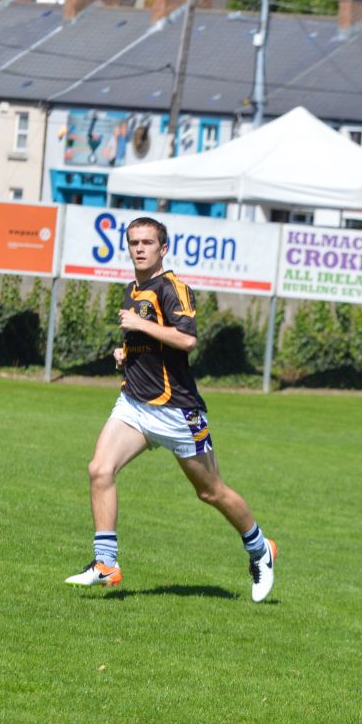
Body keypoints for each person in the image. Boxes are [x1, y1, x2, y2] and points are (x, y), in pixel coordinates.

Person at [66, 217, 276, 602]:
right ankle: (106, 563)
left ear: (163, 248)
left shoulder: (173, 288)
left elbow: (186, 340)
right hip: (135, 405)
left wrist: (139, 328)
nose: (140, 248)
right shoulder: (133, 289)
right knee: (99, 469)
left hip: (177, 411)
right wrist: (125, 352)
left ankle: (260, 548)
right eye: (134, 242)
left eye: (148, 242)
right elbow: (148, 344)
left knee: (211, 492)